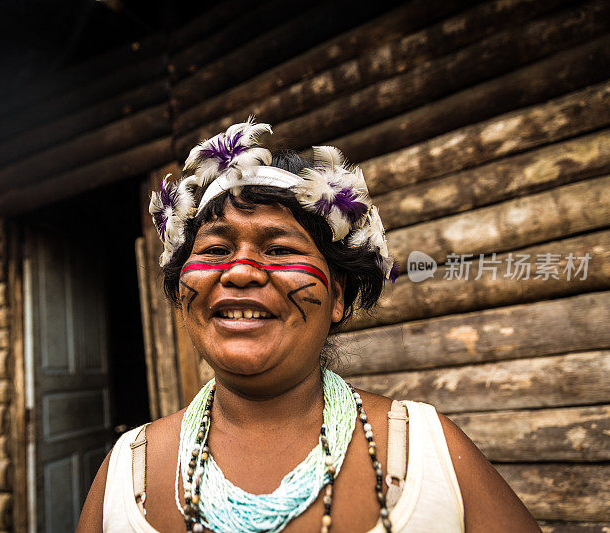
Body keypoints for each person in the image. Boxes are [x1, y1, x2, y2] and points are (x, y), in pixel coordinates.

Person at [77, 120, 539, 532]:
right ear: (183, 295)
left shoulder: (428, 451)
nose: (239, 272)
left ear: (336, 297)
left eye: (278, 249)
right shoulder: (125, 473)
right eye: (215, 250)